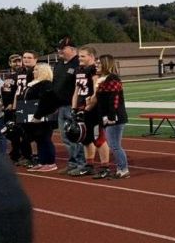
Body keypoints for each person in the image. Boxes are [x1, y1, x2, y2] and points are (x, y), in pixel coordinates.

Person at [72, 46, 112, 179]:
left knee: (98, 138)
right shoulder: (79, 69)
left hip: (94, 108)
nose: (79, 58)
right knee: (85, 138)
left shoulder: (94, 69)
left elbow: (96, 90)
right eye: (79, 56)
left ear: (91, 57)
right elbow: (76, 91)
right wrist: (74, 108)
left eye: (83, 56)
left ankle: (105, 167)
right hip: (82, 107)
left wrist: (88, 107)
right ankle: (89, 166)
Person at [93, 55, 130, 179]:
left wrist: (111, 116)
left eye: (99, 63)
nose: (96, 65)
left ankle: (123, 169)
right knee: (113, 144)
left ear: (106, 64)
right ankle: (121, 168)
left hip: (114, 117)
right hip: (107, 116)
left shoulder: (112, 78)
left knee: (115, 145)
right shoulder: (102, 79)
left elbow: (114, 98)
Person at [53, 37, 86, 176]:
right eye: (59, 48)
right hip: (61, 106)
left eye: (62, 48)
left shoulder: (79, 63)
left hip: (74, 106)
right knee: (66, 138)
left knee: (76, 136)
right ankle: (72, 163)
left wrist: (78, 106)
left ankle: (81, 164)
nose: (59, 51)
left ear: (72, 49)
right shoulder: (59, 64)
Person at [23, 63, 60, 172]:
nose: (34, 72)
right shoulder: (33, 83)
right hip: (32, 114)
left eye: (37, 70)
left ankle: (50, 162)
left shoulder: (46, 84)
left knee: (45, 138)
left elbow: (47, 101)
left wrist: (38, 114)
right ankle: (42, 161)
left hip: (42, 116)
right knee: (38, 139)